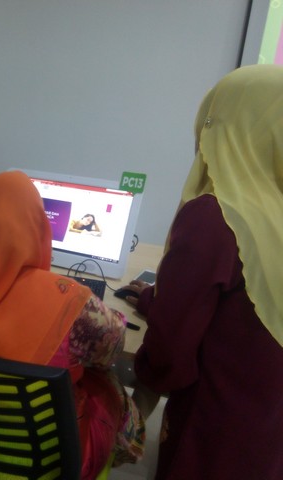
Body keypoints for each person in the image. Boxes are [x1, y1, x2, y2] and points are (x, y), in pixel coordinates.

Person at [0, 170, 144, 479]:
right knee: (106, 383)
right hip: (36, 464)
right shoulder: (70, 301)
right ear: (40, 230)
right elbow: (113, 346)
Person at [118, 65, 283, 479]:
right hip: (267, 429)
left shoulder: (215, 216)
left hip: (214, 431)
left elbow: (171, 353)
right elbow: (247, 311)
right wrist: (159, 300)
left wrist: (133, 409)